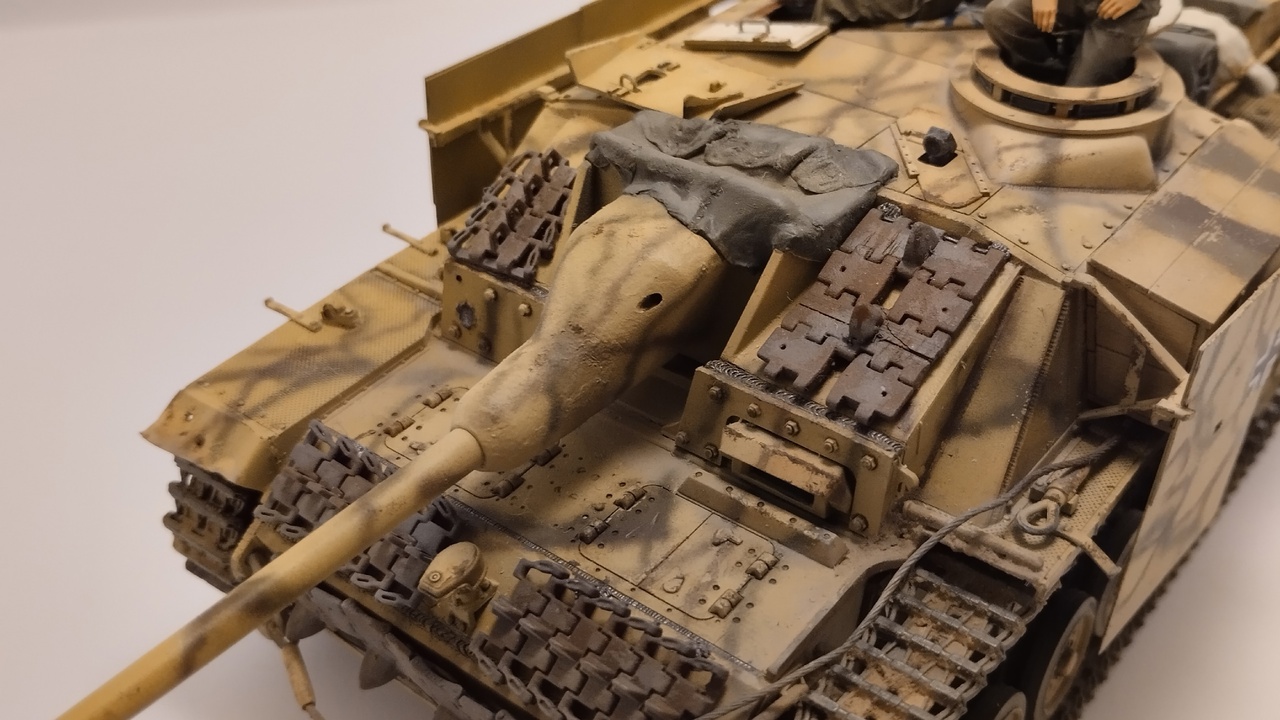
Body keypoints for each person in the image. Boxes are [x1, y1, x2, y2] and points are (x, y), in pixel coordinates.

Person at [984, 0, 1160, 86]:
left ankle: (1088, 68)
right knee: (1002, 17)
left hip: (1125, 9)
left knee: (1079, 96)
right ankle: (1052, 71)